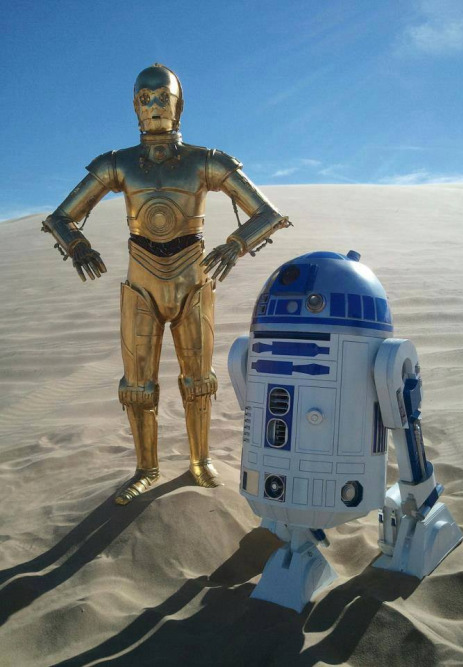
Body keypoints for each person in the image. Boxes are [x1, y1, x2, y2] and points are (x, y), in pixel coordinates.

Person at [42, 63, 290, 504]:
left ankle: (200, 461)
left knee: (199, 380)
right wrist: (77, 245)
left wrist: (235, 245)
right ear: (134, 108)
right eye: (145, 99)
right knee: (137, 385)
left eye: (162, 98)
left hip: (192, 280)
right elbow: (60, 216)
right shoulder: (117, 164)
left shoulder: (206, 161)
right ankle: (146, 467)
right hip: (141, 286)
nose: (154, 106)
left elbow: (267, 213)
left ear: (179, 105)